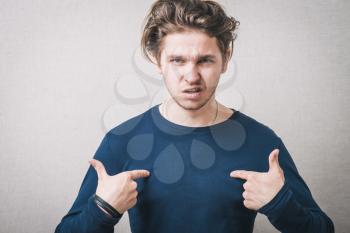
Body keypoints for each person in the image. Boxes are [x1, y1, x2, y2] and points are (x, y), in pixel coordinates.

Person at [54, 0, 335, 232]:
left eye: (205, 60)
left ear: (225, 58)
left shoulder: (261, 142)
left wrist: (280, 204)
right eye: (178, 60)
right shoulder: (121, 140)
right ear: (157, 61)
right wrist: (102, 209)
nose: (192, 76)